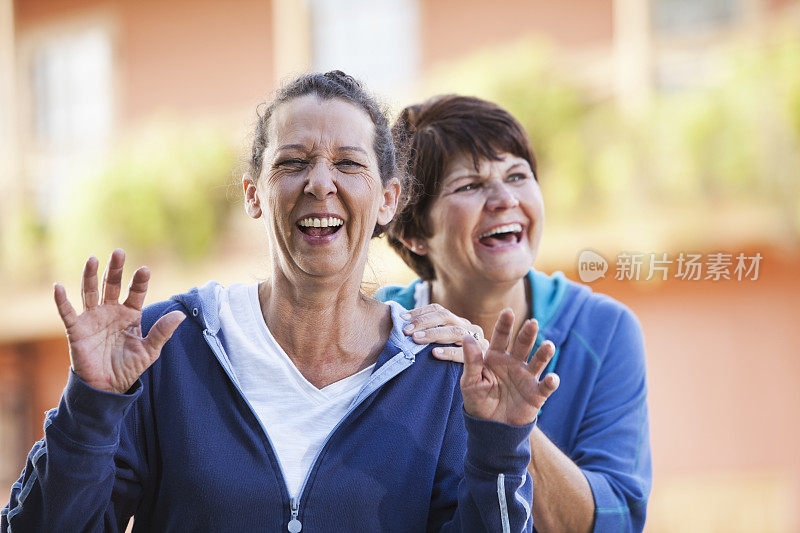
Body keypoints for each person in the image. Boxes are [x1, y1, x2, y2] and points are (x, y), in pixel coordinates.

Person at [1, 73, 560, 532]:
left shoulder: (437, 373)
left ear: (388, 199)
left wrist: (500, 449)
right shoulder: (164, 346)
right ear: (254, 193)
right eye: (293, 162)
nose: (320, 182)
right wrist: (90, 407)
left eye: (348, 163)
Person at [375, 94, 651, 532]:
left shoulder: (604, 330)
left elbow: (615, 522)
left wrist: (511, 424)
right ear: (411, 232)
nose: (504, 198)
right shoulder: (378, 332)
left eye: (517, 175)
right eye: (469, 185)